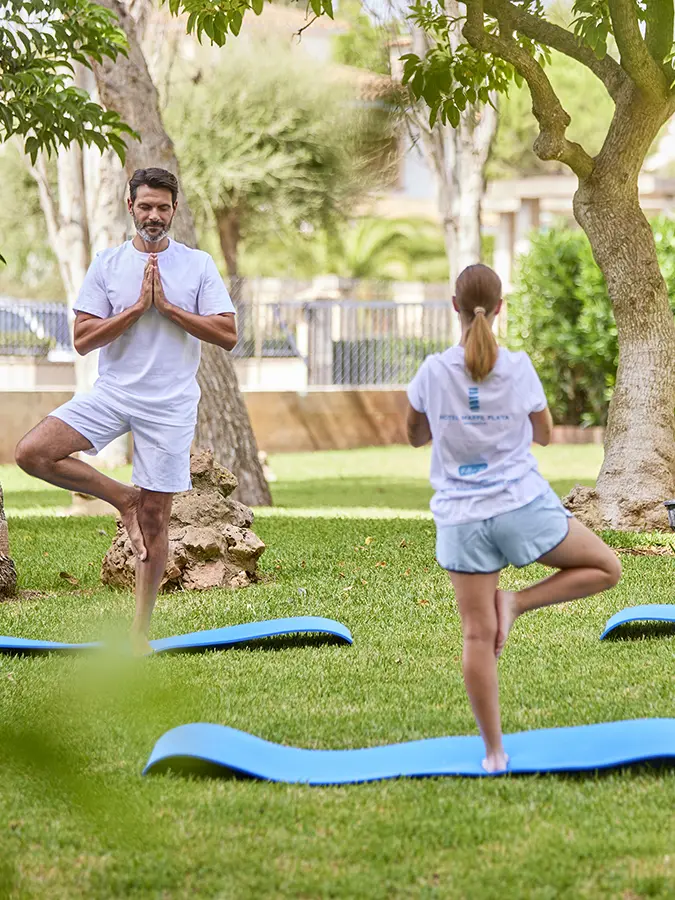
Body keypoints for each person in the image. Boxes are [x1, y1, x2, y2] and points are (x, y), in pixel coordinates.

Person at [405, 264, 621, 773]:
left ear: (454, 306)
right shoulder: (519, 367)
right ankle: (517, 602)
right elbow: (544, 434)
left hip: (462, 518)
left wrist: (457, 419)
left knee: (477, 636)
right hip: (522, 507)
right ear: (500, 307)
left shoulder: (432, 371)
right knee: (606, 568)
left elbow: (415, 436)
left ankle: (494, 753)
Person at [15, 167, 238, 656]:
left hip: (171, 404)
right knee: (33, 452)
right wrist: (135, 310)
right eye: (146, 206)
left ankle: (139, 634)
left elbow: (227, 334)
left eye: (163, 207)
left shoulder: (198, 265)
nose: (154, 215)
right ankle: (123, 498)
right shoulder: (108, 264)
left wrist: (169, 309)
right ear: (130, 205)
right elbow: (82, 339)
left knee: (156, 519)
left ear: (174, 209)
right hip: (113, 393)